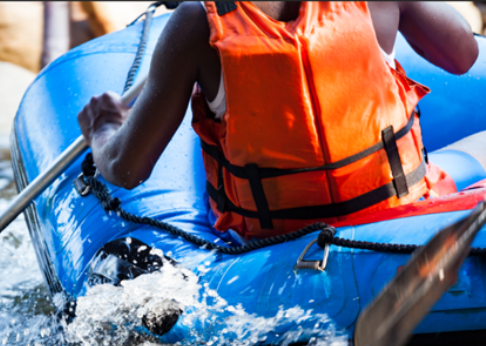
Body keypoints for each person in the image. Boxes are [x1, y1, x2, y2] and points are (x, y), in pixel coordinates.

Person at [77, 2, 480, 240]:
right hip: (405, 218)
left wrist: (104, 127)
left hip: (272, 246)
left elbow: (126, 168)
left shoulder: (197, 24)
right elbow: (462, 55)